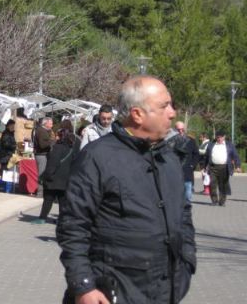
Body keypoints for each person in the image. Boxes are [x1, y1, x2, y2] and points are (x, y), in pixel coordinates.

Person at [57, 76, 196, 304]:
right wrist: (83, 286)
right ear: (137, 114)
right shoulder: (97, 157)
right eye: (164, 106)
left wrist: (188, 261)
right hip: (112, 291)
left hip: (166, 289)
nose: (172, 113)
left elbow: (184, 215)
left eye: (171, 105)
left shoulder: (169, 159)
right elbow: (73, 226)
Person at [33, 124, 76, 224]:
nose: (55, 137)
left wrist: (45, 176)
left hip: (53, 179)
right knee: (62, 201)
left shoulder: (57, 148)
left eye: (57, 135)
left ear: (61, 136)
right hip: (65, 180)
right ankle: (62, 220)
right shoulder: (71, 148)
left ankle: (42, 218)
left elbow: (52, 165)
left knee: (48, 199)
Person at [203, 130, 240, 206]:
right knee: (212, 185)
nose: (219, 139)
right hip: (213, 167)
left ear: (224, 137)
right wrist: (204, 166)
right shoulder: (211, 144)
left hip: (224, 167)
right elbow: (206, 156)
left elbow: (235, 156)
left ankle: (222, 202)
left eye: (221, 137)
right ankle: (214, 201)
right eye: (218, 137)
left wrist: (238, 166)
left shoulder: (229, 145)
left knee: (223, 185)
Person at [169, 121, 199, 202]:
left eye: (182, 129)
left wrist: (192, 165)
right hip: (175, 170)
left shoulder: (191, 140)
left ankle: (186, 207)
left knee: (188, 192)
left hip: (187, 170)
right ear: (175, 130)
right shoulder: (171, 141)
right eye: (178, 130)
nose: (181, 131)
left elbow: (196, 154)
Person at [33, 117, 54, 191]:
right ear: (46, 123)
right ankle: (40, 192)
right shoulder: (41, 131)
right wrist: (51, 141)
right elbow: (42, 145)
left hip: (43, 154)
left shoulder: (44, 131)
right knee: (42, 173)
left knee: (43, 173)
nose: (52, 125)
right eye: (51, 123)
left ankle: (42, 191)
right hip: (41, 154)